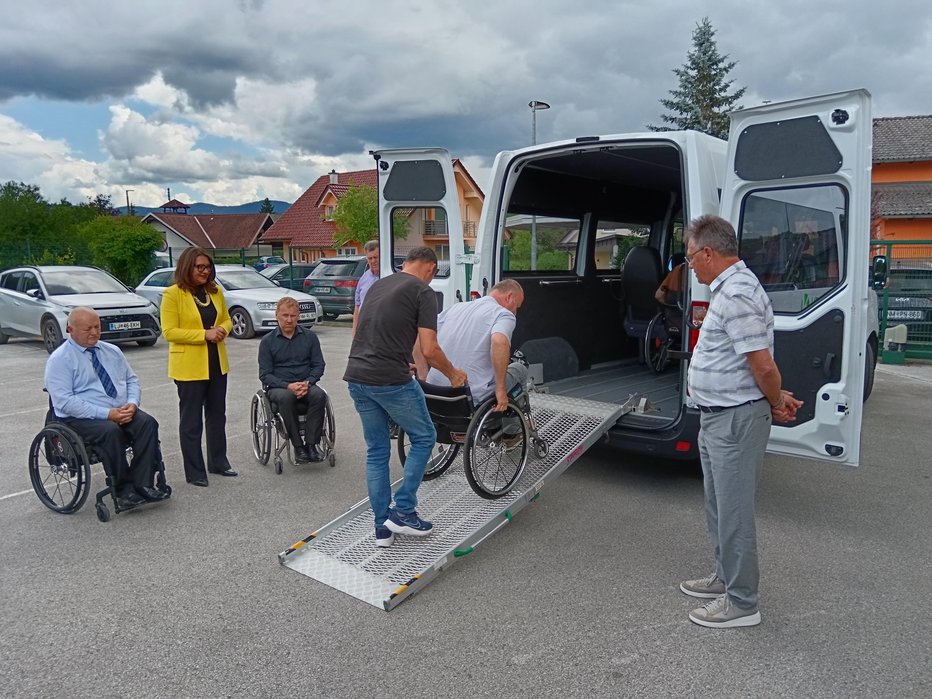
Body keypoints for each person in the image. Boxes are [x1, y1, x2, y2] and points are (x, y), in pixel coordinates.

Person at [681, 214, 802, 628]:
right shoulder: (730, 290)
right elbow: (750, 362)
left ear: (709, 253)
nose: (690, 264)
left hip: (734, 421)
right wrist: (775, 396)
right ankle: (724, 577)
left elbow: (763, 366)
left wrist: (773, 399)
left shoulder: (736, 293)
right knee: (719, 506)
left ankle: (743, 603)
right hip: (719, 417)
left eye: (691, 256)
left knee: (734, 512)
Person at [344, 247, 467, 548]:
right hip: (389, 380)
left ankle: (382, 529)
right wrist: (452, 374)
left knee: (376, 451)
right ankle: (405, 511)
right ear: (431, 268)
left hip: (357, 375)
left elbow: (370, 331)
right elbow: (430, 349)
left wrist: (401, 358)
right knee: (425, 436)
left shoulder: (380, 284)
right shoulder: (422, 291)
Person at [44, 307, 168, 509]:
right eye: (87, 329)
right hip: (81, 417)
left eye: (97, 327)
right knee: (110, 431)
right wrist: (107, 414)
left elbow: (131, 380)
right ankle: (123, 490)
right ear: (70, 329)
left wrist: (132, 404)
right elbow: (64, 401)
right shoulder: (60, 360)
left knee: (147, 423)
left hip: (120, 409)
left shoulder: (112, 351)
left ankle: (142, 482)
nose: (94, 332)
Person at [160, 247, 238, 487]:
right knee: (191, 421)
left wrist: (224, 329)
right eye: (200, 267)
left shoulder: (215, 292)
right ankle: (195, 472)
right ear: (187, 267)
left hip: (216, 363)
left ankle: (218, 462)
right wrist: (204, 334)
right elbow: (169, 331)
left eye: (208, 267)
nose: (205, 271)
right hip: (189, 367)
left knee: (217, 416)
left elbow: (226, 318)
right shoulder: (173, 294)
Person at [422, 279, 528, 414]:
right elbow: (499, 342)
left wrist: (423, 373)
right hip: (470, 397)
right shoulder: (503, 314)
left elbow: (421, 333)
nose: (515, 312)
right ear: (509, 297)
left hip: (433, 393)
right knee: (520, 369)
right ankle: (512, 431)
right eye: (516, 307)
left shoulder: (455, 308)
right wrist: (500, 389)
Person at [258, 297, 328, 463]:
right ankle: (298, 447)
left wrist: (308, 382)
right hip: (279, 387)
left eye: (293, 316)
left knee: (319, 395)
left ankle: (311, 445)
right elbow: (265, 374)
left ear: (298, 316)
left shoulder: (310, 338)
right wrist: (287, 386)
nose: (289, 319)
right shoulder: (267, 342)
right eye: (285, 315)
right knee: (286, 397)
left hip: (305, 384)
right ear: (277, 316)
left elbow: (318, 365)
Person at [351, 240, 380, 337]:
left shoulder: (392, 275)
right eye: (370, 258)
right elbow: (357, 306)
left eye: (376, 257)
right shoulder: (363, 279)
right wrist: (355, 331)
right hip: (365, 329)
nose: (373, 261)